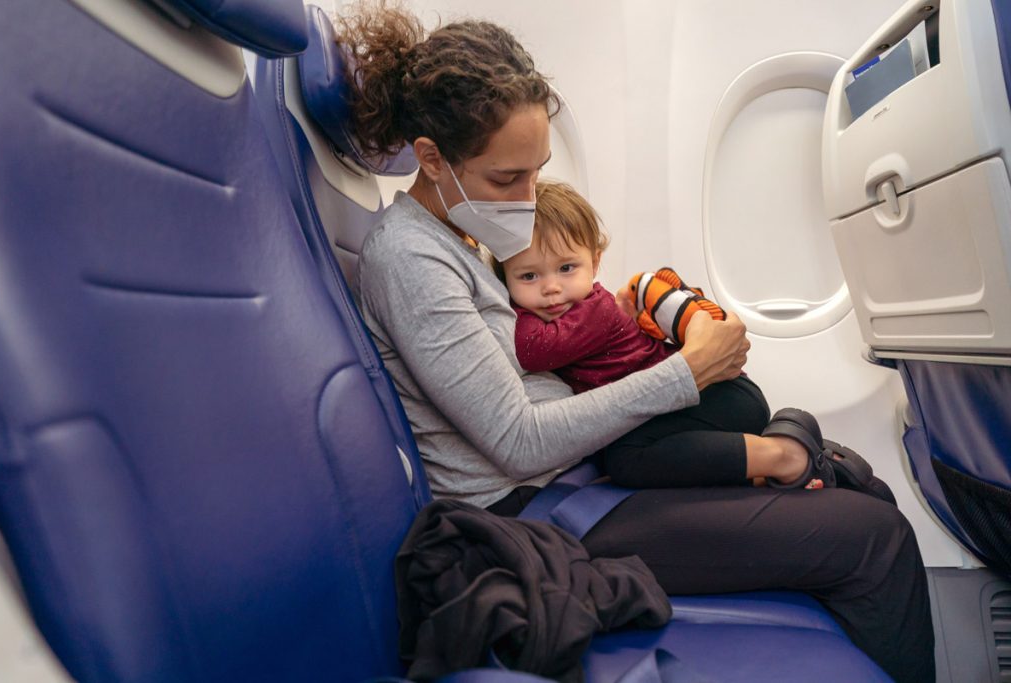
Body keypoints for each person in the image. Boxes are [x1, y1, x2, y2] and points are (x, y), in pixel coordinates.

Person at [339, 4, 934, 681]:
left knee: (854, 497)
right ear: (431, 158)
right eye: (507, 179)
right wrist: (687, 372)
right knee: (876, 542)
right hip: (538, 512)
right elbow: (516, 440)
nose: (529, 198)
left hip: (584, 477)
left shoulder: (465, 238)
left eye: (536, 172)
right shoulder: (410, 258)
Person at [500, 180, 880, 491]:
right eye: (528, 276)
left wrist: (510, 304)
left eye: (566, 268)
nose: (551, 288)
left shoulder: (595, 311)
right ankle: (771, 460)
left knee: (626, 459)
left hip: (715, 397)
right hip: (690, 404)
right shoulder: (568, 308)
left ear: (595, 262)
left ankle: (787, 455)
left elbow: (533, 351)